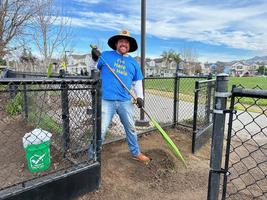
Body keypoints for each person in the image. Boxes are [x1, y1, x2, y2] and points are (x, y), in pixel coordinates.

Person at [91, 29, 150, 163]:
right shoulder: (105, 56)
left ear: (129, 46)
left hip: (125, 101)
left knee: (131, 129)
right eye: (121, 41)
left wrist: (140, 97)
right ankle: (92, 157)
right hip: (106, 100)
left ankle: (136, 153)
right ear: (116, 44)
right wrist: (94, 58)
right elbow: (93, 69)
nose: (123, 44)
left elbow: (137, 82)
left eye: (126, 42)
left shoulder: (134, 63)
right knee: (100, 130)